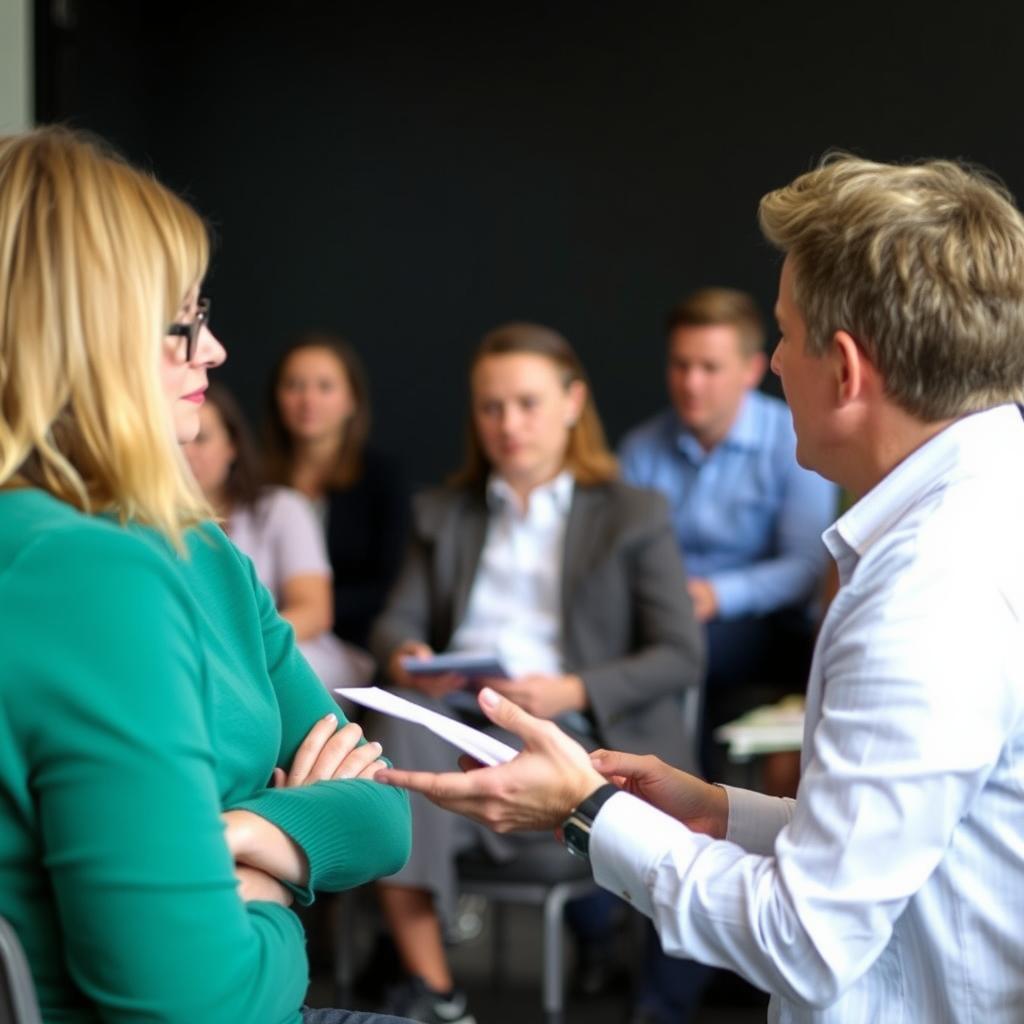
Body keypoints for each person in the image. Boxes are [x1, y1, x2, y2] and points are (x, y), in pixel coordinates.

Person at [378, 154, 1024, 1023]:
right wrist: (716, 808)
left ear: (845, 369)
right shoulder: (980, 510)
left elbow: (804, 937)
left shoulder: (925, 596)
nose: (773, 369)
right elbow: (900, 841)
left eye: (785, 338)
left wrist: (588, 812)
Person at [0, 126, 412, 1024]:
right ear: (86, 344)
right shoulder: (80, 570)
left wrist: (242, 838)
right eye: (183, 326)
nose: (215, 352)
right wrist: (278, 892)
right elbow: (196, 1005)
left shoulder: (199, 550)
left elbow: (383, 818)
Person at [366, 322, 704, 1023]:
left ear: (573, 401)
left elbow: (681, 651)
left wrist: (569, 689)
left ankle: (430, 990)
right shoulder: (444, 513)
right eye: (491, 407)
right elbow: (395, 624)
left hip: (568, 726)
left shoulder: (632, 514)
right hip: (456, 712)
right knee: (390, 727)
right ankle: (437, 992)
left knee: (393, 773)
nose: (507, 424)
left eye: (526, 403)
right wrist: (412, 660)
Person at [618, 288, 837, 776]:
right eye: (680, 365)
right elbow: (617, 560)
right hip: (664, 621)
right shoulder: (640, 449)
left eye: (710, 368)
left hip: (764, 632)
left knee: (682, 653)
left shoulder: (791, 440)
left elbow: (806, 570)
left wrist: (714, 596)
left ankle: (678, 798)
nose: (692, 383)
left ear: (752, 369)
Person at [184, 382, 373, 688]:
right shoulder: (145, 524)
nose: (186, 453)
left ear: (232, 445)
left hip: (285, 650)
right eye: (177, 441)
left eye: (200, 439)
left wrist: (236, 646)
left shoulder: (282, 508)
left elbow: (314, 611)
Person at [267, 334, 409, 649]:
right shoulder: (255, 478)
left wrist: (313, 612)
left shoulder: (382, 477)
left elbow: (388, 584)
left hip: (351, 640)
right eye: (294, 385)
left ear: (352, 400)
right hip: (267, 630)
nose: (308, 400)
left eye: (325, 387)